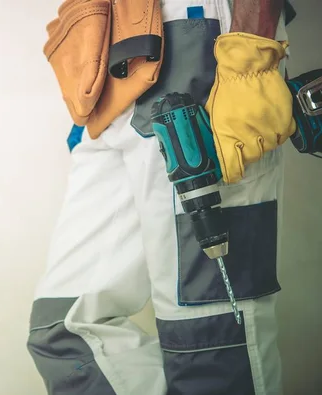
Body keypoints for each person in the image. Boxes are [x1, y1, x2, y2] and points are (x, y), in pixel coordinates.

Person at [26, 0, 297, 394]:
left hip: (203, 52)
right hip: (108, 64)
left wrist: (249, 53)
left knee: (209, 342)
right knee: (62, 330)